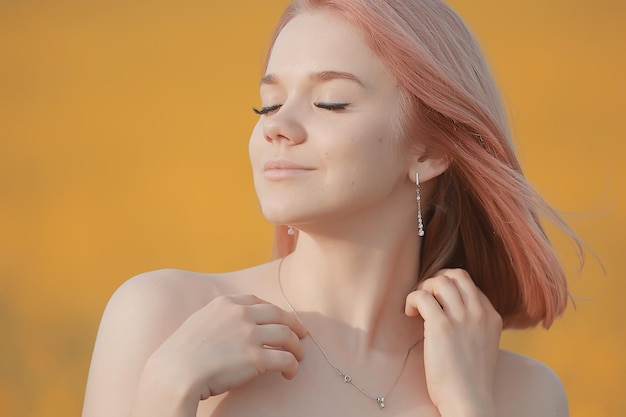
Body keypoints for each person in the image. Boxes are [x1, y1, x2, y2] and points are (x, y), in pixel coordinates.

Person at [82, 1, 579, 416]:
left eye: (332, 102)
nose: (277, 126)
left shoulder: (523, 394)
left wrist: (470, 405)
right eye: (268, 103)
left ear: (428, 151)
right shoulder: (164, 319)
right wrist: (165, 396)